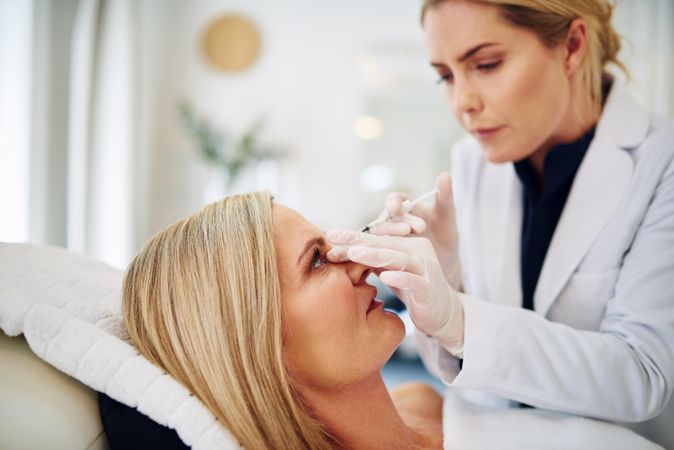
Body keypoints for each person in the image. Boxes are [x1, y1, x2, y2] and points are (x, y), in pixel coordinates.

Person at [327, 0, 674, 440]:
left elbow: (645, 377)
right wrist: (448, 279)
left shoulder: (663, 163)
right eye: (446, 76)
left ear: (571, 46)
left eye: (486, 65)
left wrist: (460, 318)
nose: (461, 103)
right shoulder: (472, 162)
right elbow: (475, 371)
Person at [121, 192, 444, 449]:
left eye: (334, 247)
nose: (361, 264)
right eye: (317, 261)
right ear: (252, 339)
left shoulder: (425, 402)